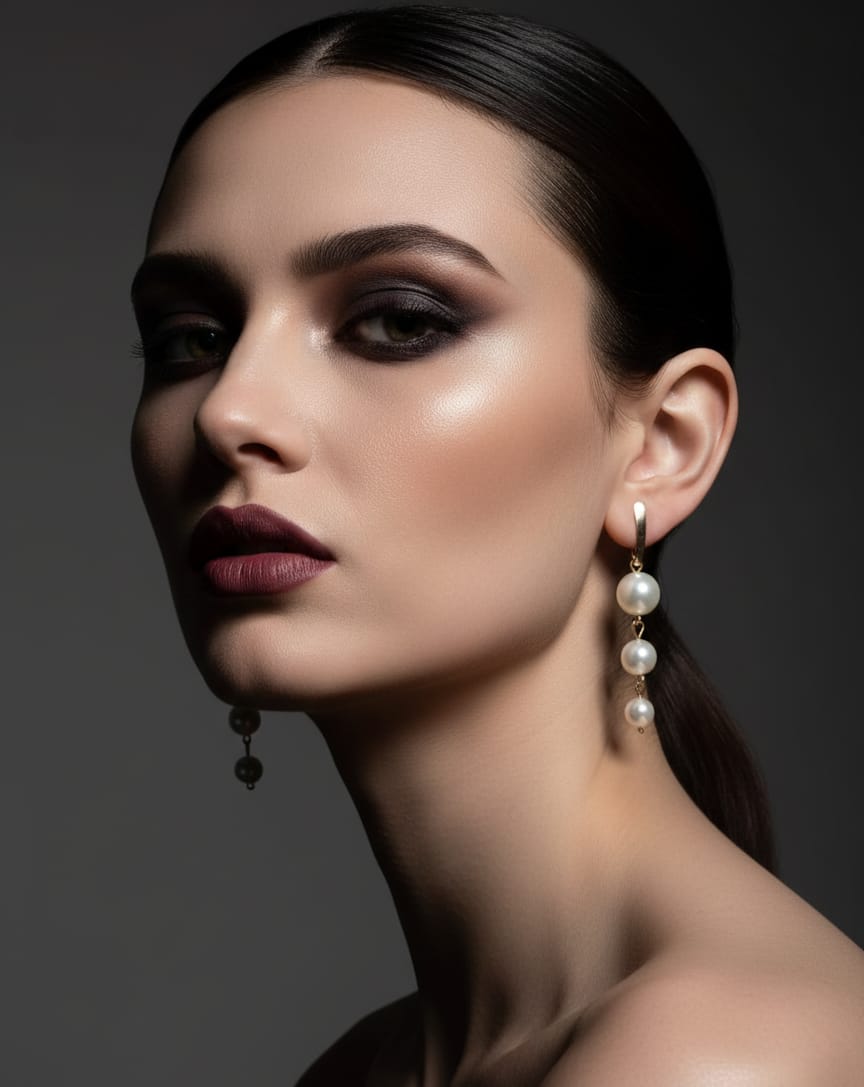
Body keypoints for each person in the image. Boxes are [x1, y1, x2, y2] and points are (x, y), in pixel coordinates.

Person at [128, 5, 864, 1083]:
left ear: (663, 443)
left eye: (398, 320)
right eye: (191, 337)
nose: (228, 410)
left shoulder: (720, 1058)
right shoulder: (366, 1066)